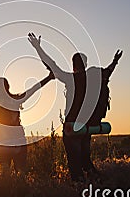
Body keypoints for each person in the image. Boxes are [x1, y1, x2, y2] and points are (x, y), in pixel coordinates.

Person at [28, 32, 122, 181]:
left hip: (72, 127)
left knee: (75, 166)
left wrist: (38, 48)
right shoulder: (94, 79)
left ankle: (80, 190)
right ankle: (97, 185)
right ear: (85, 64)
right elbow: (109, 71)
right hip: (86, 127)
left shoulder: (70, 79)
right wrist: (115, 60)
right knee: (86, 160)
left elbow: (51, 65)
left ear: (73, 65)